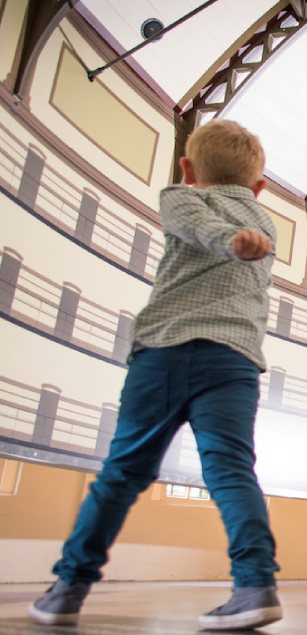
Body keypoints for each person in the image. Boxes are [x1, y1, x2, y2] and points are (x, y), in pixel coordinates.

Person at [28, 120, 282, 630]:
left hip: (165, 353)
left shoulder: (180, 196)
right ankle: (255, 586)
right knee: (232, 471)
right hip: (234, 362)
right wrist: (236, 238)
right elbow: (213, 234)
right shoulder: (263, 222)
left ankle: (68, 589)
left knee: (121, 473)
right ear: (259, 187)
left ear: (188, 169)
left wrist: (228, 238)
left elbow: (194, 225)